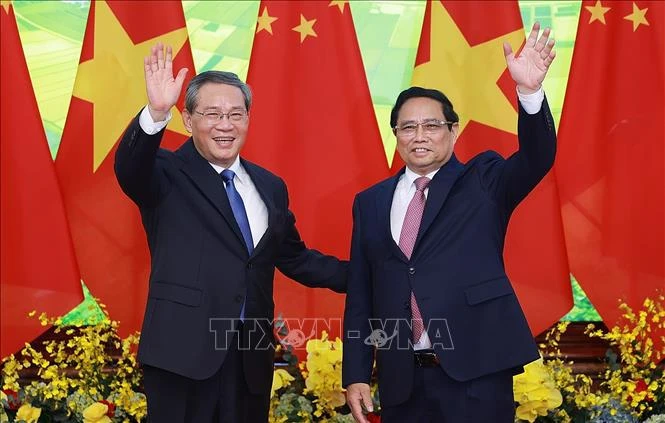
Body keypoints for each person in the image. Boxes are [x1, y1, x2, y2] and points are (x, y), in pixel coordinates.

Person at [114, 42, 347, 422]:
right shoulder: (166, 173)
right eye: (212, 114)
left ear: (248, 119)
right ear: (187, 120)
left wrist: (368, 273)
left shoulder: (270, 186)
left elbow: (295, 257)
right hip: (181, 359)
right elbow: (130, 168)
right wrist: (156, 113)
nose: (225, 125)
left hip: (249, 362)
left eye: (236, 114)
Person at [342, 23, 557, 422]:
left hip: (476, 373)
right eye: (408, 127)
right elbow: (360, 294)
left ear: (453, 131)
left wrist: (529, 93)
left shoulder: (484, 180)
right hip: (401, 381)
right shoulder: (370, 203)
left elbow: (537, 158)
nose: (419, 135)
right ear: (396, 135)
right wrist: (355, 373)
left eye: (432, 125)